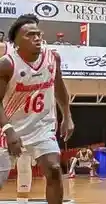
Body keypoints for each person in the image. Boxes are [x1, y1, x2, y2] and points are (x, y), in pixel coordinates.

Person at [0, 14, 74, 204]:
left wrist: (67, 115)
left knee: (55, 170)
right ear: (16, 42)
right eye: (30, 35)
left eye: (38, 34)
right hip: (8, 126)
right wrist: (8, 130)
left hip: (41, 127)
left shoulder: (52, 58)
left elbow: (59, 87)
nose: (37, 38)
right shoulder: (6, 65)